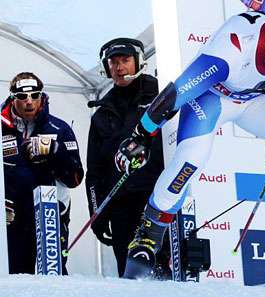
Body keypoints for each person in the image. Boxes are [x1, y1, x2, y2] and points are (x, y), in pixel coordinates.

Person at [115, 11, 265, 278]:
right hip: (212, 98)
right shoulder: (235, 47)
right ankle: (148, 237)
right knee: (193, 158)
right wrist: (142, 133)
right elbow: (180, 90)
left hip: (257, 101)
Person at [85, 37, 172, 277]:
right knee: (129, 277)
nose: (119, 68)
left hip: (157, 203)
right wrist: (97, 214)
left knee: (166, 277)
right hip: (120, 208)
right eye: (113, 63)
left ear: (139, 62)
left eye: (125, 61)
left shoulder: (161, 95)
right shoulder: (101, 114)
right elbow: (94, 172)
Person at [2, 72, 84, 274]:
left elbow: (75, 178)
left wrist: (55, 150)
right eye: (22, 97)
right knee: (15, 278)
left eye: (34, 95)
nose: (29, 102)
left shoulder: (60, 128)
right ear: (13, 98)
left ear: (42, 96)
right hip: (11, 220)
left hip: (50, 216)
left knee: (53, 276)